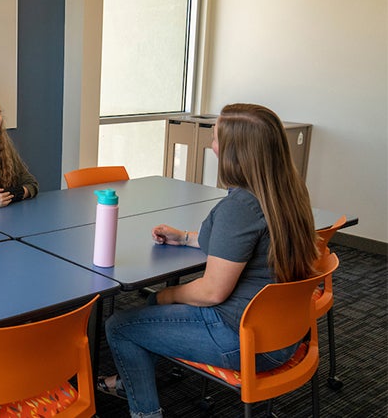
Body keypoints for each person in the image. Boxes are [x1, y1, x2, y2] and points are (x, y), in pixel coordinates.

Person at [99, 104, 319, 418]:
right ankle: (128, 381)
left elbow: (212, 292)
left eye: (216, 138)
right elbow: (238, 245)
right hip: (285, 334)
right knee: (151, 309)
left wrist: (166, 294)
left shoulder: (240, 207)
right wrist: (185, 238)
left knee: (120, 325)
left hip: (245, 340)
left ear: (235, 152)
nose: (212, 145)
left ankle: (145, 410)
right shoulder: (287, 193)